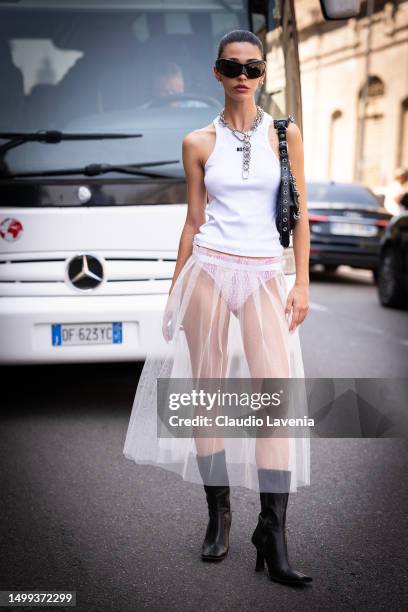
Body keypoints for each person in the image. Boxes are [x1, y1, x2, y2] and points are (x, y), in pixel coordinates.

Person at [123, 30, 312, 586]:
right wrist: (174, 290)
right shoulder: (198, 142)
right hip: (208, 270)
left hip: (262, 273)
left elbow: (300, 211)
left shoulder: (286, 135)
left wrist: (301, 281)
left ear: (263, 74)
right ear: (217, 72)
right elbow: (193, 221)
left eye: (253, 68)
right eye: (233, 67)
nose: (243, 77)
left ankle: (272, 534)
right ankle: (219, 516)